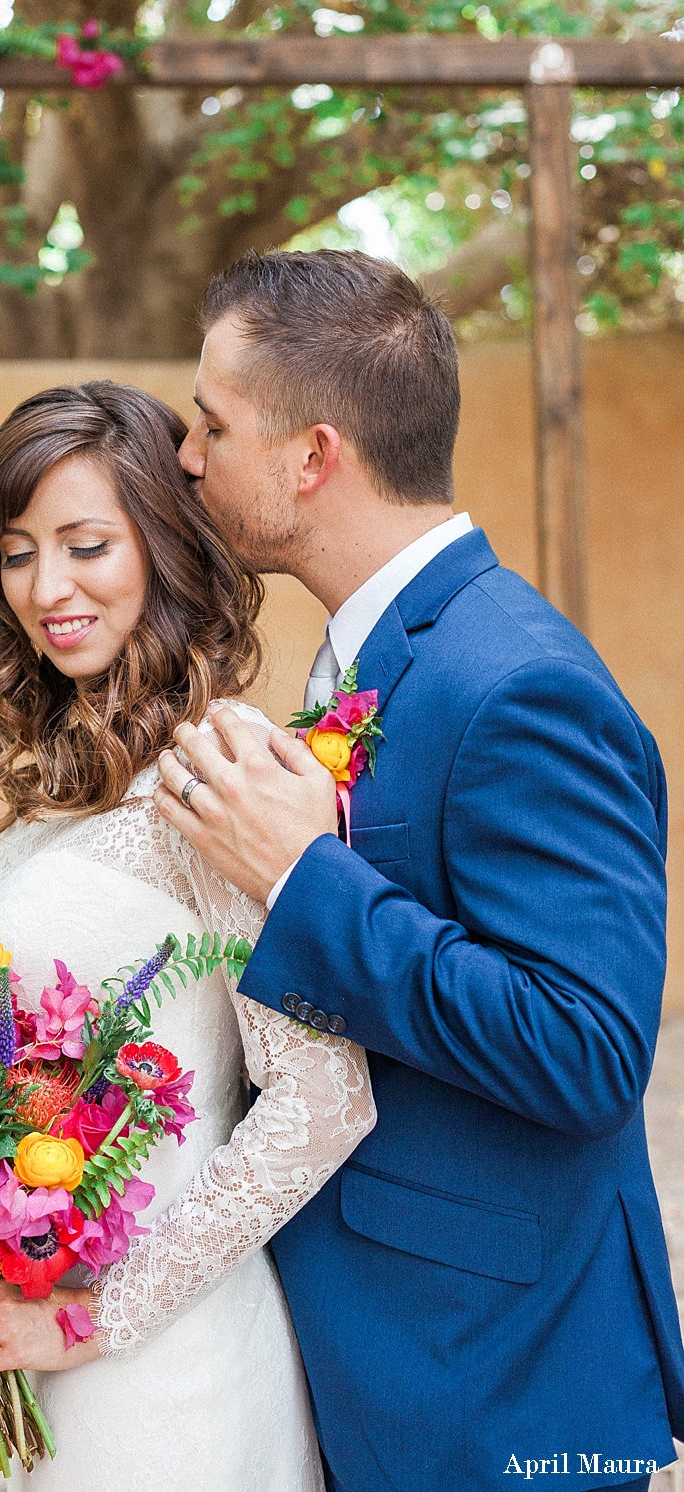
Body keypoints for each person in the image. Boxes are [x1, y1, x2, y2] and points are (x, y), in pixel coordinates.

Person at [153, 248, 684, 1492]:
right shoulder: (372, 656)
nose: (185, 453)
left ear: (312, 456)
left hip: (490, 1382)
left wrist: (303, 879)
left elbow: (586, 1049)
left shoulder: (518, 683)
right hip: (380, 1355)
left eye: (211, 423)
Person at [0, 381, 376, 1491]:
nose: (45, 587)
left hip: (168, 1375)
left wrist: (95, 1319)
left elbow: (323, 1101)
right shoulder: (63, 773)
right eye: (17, 553)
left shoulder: (225, 771)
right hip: (23, 1331)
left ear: (162, 551)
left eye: (85, 545)